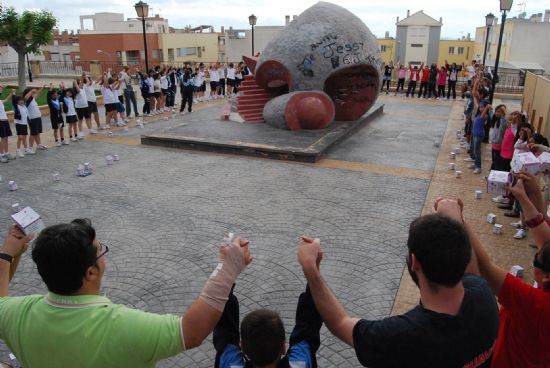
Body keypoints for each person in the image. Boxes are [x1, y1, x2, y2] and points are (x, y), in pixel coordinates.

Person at [0, 219, 252, 368]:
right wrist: (227, 269)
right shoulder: (120, 327)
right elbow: (190, 332)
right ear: (90, 273)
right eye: (101, 252)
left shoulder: (18, 314)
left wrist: (7, 254)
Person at [297, 201, 499, 367]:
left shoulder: (403, 336)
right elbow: (472, 271)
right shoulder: (484, 298)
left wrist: (310, 268)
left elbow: (340, 323)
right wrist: (455, 221)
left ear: (415, 262)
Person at [473, 172, 550, 367]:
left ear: (546, 277)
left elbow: (485, 268)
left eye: (536, 261)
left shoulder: (534, 304)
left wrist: (457, 221)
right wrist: (526, 196)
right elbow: (546, 241)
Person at [213, 283, 322, 368]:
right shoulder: (300, 364)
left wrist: (228, 270)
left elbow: (226, 332)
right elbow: (306, 329)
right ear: (283, 347)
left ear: (243, 347)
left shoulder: (230, 364)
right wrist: (312, 271)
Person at [24, 86, 48, 151]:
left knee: (37, 132)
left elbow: (38, 93)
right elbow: (26, 97)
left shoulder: (33, 99)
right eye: (33, 93)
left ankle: (39, 145)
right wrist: (31, 91)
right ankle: (30, 147)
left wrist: (42, 88)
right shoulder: (28, 100)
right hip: (32, 118)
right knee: (33, 133)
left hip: (37, 117)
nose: (35, 94)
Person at [489, 104, 508, 171]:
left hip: (499, 147)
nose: (496, 113)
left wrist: (504, 114)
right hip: (494, 145)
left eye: (499, 112)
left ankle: (494, 176)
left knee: (497, 164)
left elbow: (504, 126)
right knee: (494, 162)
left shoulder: (504, 122)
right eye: (496, 111)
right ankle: (491, 175)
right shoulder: (496, 120)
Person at [0, 85, 15, 163]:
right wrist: (1, 88)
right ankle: (1, 155)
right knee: (3, 138)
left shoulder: (0, 101)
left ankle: (6, 153)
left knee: (6, 137)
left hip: (5, 120)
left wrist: (11, 93)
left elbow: (6, 100)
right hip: (0, 121)